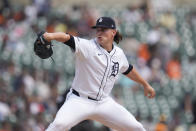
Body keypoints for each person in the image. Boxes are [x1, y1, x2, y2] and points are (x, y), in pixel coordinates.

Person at [43, 17, 155, 131]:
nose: (99, 33)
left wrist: (145, 84)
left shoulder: (119, 53)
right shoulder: (88, 46)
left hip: (103, 103)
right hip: (79, 100)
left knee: (137, 127)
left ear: (113, 32)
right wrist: (50, 36)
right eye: (98, 30)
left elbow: (128, 69)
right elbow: (67, 38)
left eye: (103, 30)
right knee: (58, 125)